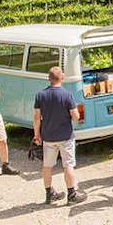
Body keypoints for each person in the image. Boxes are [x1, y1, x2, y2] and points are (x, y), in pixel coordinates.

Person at [33, 67, 86, 204]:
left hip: (48, 136)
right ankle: (72, 194)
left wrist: (36, 135)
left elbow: (37, 117)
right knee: (68, 165)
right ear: (62, 78)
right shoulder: (67, 95)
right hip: (65, 136)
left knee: (47, 166)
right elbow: (76, 117)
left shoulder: (40, 95)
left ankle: (49, 194)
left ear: (49, 78)